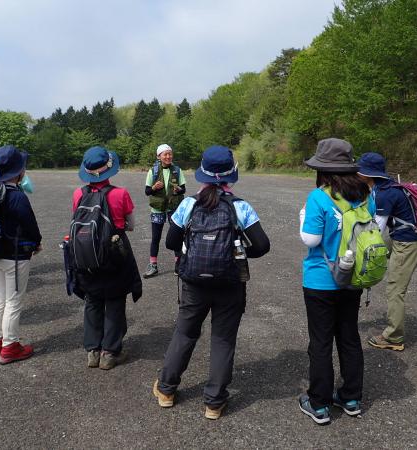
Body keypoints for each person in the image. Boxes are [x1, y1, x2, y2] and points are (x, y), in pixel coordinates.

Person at [153, 145, 270, 420]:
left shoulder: (189, 204)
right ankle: (214, 403)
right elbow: (262, 245)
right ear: (231, 175)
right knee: (222, 339)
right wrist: (236, 252)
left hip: (194, 282)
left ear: (203, 173)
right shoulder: (240, 207)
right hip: (230, 282)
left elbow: (170, 241)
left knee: (185, 332)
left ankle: (166, 390)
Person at [298, 138, 373, 425]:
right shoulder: (365, 194)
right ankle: (351, 398)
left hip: (321, 279)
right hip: (353, 278)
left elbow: (311, 239)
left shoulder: (319, 197)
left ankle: (319, 403)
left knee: (320, 341)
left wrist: (303, 217)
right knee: (349, 336)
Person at [72, 147, 142, 370]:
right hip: (114, 254)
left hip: (86, 255)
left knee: (92, 300)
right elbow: (130, 225)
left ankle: (92, 351)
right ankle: (109, 352)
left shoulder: (78, 194)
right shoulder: (120, 194)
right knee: (114, 300)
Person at [357, 153, 417, 351]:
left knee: (395, 289)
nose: (357, 174)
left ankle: (394, 337)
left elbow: (376, 230)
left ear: (368, 174)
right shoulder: (387, 186)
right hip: (402, 237)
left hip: (407, 244)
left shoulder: (385, 194)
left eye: (359, 171)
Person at [0, 145, 42, 364]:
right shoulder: (17, 195)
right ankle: (10, 347)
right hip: (15, 255)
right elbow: (30, 224)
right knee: (13, 301)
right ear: (18, 171)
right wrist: (37, 242)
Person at [143, 144, 186, 278]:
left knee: (177, 236)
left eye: (170, 154)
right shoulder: (153, 171)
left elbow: (183, 189)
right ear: (159, 156)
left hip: (173, 208)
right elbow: (147, 191)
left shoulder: (177, 170)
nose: (168, 156)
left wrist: (178, 189)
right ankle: (153, 265)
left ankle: (178, 264)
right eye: (165, 154)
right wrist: (154, 187)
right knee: (156, 237)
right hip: (157, 208)